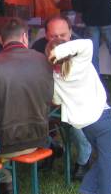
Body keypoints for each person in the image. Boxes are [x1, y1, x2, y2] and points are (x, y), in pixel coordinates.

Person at [0, 18, 53, 192]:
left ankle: (3, 177)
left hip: (2, 145)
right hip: (40, 138)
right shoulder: (44, 60)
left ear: (0, 39)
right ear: (25, 37)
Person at [46, 38, 111, 194]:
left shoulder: (55, 77)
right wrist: (60, 51)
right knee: (107, 163)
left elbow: (57, 100)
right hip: (101, 117)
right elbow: (87, 44)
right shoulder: (81, 62)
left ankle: (89, 192)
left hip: (85, 125)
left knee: (103, 158)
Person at [31, 16, 92, 180]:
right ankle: (51, 147)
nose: (59, 39)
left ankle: (83, 159)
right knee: (28, 114)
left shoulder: (80, 48)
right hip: (48, 95)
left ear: (71, 33)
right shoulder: (38, 48)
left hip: (76, 98)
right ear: (46, 35)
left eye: (63, 35)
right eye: (53, 36)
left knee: (75, 121)